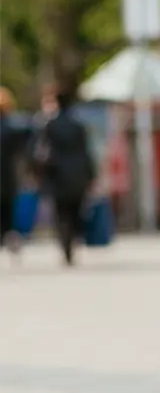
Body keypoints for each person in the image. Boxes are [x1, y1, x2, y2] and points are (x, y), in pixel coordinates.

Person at [32, 87, 95, 266]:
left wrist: (38, 173)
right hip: (78, 174)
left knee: (61, 212)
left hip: (57, 174)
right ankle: (72, 241)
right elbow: (87, 152)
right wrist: (91, 175)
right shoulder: (78, 125)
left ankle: (65, 243)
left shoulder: (49, 125)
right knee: (76, 210)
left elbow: (40, 152)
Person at [0, 86, 29, 256]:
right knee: (8, 209)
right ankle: (9, 235)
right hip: (7, 175)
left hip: (6, 175)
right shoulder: (13, 127)